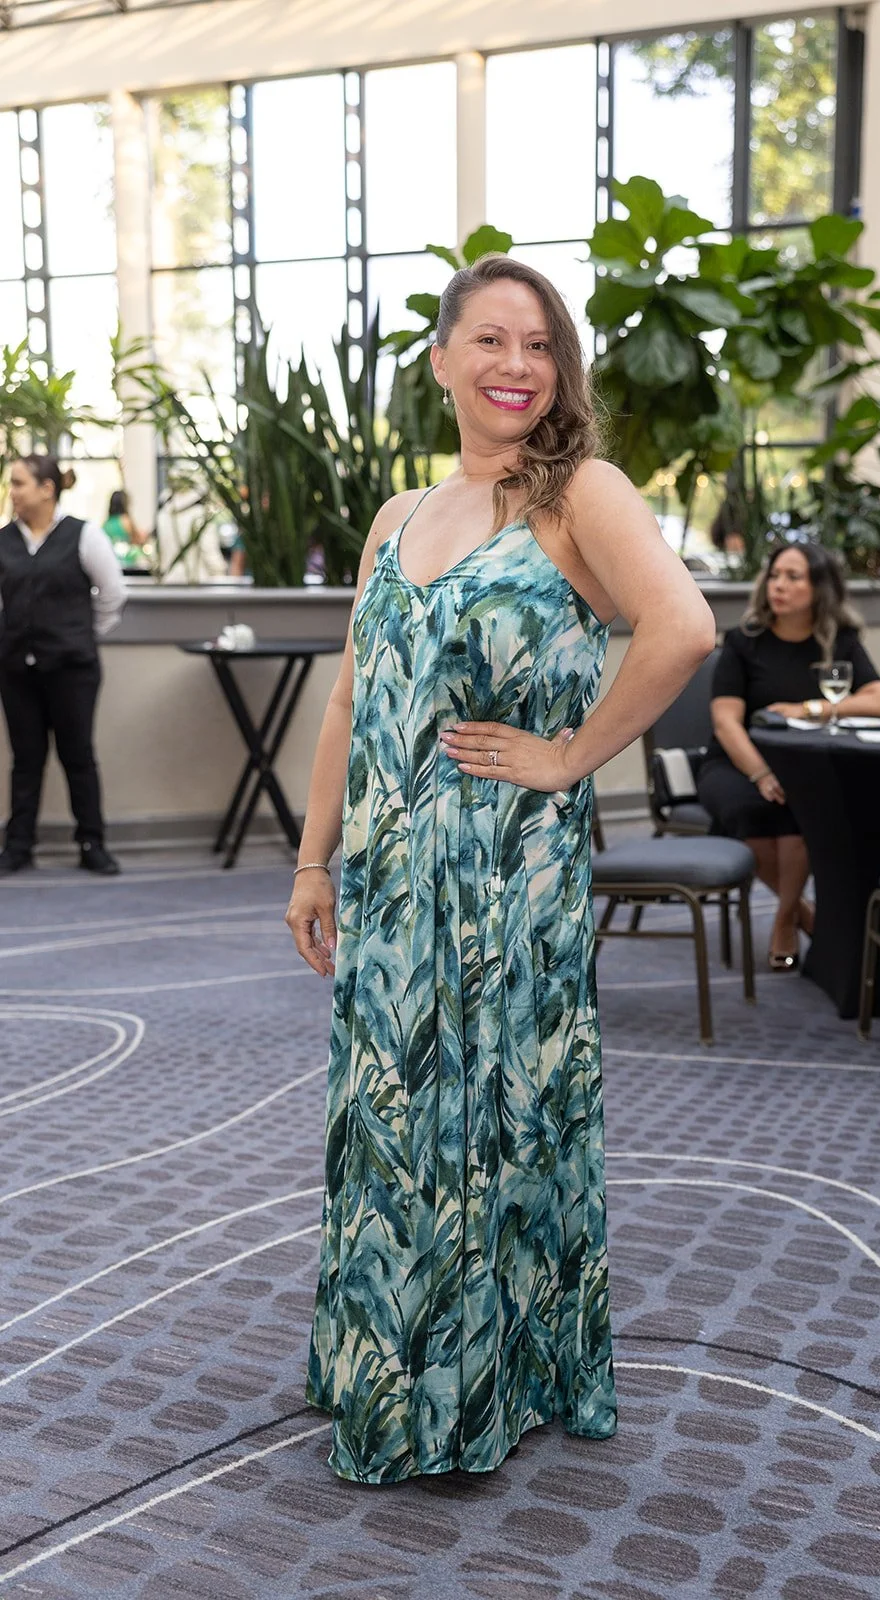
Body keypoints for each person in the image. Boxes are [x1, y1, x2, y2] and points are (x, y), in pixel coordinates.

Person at [285, 254, 717, 1485]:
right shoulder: (395, 517)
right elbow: (353, 696)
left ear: (558, 366)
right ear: (440, 361)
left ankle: (483, 1383)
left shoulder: (578, 493)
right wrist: (314, 862)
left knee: (490, 1121)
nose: (514, 366)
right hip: (387, 879)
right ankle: (390, 1360)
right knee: (395, 1119)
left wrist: (568, 755)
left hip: (501, 884)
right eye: (488, 340)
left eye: (536, 345)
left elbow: (681, 628)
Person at [696, 542, 880, 970]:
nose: (778, 585)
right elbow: (726, 722)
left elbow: (879, 700)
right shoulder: (744, 641)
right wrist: (761, 772)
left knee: (801, 810)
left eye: (793, 577)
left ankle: (783, 917)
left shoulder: (839, 640)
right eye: (775, 574)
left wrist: (811, 708)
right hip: (735, 763)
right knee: (757, 809)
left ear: (820, 588)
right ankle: (800, 916)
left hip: (803, 767)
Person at [0, 456, 125, 876]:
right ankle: (18, 846)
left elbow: (112, 594)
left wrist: (80, 634)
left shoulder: (84, 535)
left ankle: (93, 844)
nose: (13, 491)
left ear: (46, 488)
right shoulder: (3, 540)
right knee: (25, 759)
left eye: (19, 483)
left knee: (78, 756)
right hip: (16, 670)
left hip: (73, 669)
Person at [102, 489, 149, 570]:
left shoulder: (106, 524)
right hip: (128, 564)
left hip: (111, 563)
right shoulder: (126, 521)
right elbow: (139, 539)